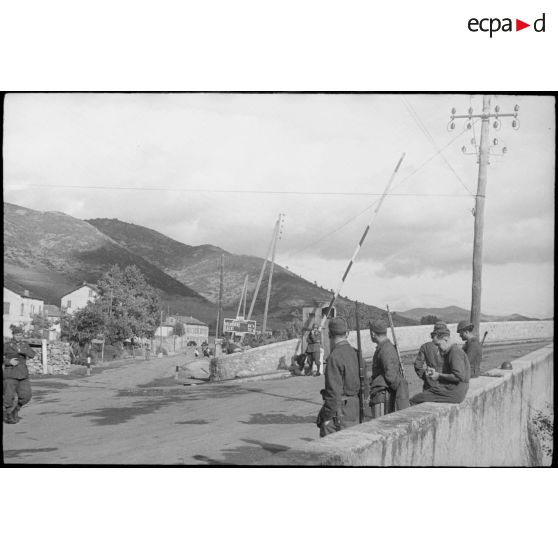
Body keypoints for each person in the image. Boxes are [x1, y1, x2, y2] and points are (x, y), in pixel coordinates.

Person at [316, 317, 360, 437]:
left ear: (330, 334)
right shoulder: (356, 354)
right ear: (347, 333)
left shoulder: (334, 357)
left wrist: (326, 417)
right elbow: (365, 385)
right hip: (355, 409)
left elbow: (333, 394)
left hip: (340, 411)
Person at [410, 323, 470, 405]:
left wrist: (438, 376)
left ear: (445, 339)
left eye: (438, 345)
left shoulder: (454, 352)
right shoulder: (452, 351)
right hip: (454, 390)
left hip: (454, 392)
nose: (438, 349)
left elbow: (458, 376)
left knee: (414, 400)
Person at [368, 319, 409, 418]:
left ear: (373, 334)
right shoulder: (384, 348)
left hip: (383, 396)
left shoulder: (386, 349)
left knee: (380, 427)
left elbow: (391, 376)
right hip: (382, 394)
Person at [3, 326, 36, 424]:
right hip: (10, 373)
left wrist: (24, 350)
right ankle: (9, 415)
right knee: (8, 396)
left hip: (23, 374)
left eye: (20, 335)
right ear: (13, 335)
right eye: (17, 335)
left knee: (27, 395)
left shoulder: (25, 344)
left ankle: (15, 410)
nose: (18, 337)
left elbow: (32, 355)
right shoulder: (7, 345)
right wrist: (8, 361)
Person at [414, 323, 444, 392]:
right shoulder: (450, 347)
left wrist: (426, 377)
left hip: (430, 385)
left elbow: (417, 366)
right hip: (446, 385)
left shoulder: (425, 346)